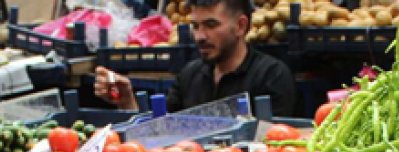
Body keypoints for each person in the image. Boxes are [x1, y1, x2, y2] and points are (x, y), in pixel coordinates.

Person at [94, 0, 298, 117]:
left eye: (211, 25)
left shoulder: (272, 76)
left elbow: (276, 146)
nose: (200, 36)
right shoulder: (189, 75)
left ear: (241, 26)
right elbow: (163, 133)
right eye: (196, 26)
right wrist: (127, 101)